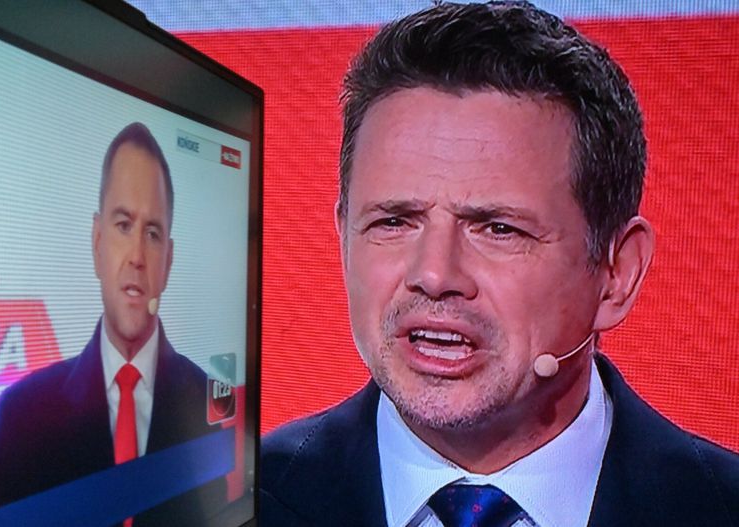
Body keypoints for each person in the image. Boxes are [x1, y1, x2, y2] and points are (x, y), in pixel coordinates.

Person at [260, 2, 739, 526]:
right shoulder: (236, 503)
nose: (434, 275)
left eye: (498, 229)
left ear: (617, 274)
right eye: (394, 222)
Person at [0, 122, 225, 526]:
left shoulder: (209, 403)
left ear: (168, 261)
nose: (137, 255)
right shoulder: (26, 415)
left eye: (152, 233)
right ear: (97, 243)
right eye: (123, 226)